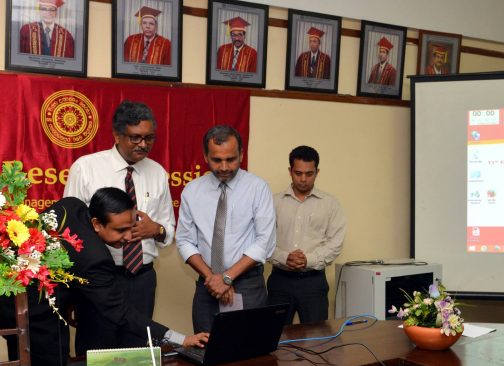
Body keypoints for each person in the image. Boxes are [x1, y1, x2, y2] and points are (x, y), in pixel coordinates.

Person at [2, 188, 208, 366]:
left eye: (131, 227)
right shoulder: (95, 259)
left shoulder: (71, 205)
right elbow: (121, 312)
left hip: (9, 296)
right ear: (97, 224)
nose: (129, 237)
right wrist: (181, 339)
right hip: (34, 314)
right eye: (120, 230)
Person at [64, 101, 175, 320]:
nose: (143, 144)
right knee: (97, 340)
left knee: (140, 338)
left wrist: (156, 230)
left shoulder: (158, 173)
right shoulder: (86, 168)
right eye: (135, 137)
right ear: (117, 135)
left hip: (142, 278)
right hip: (98, 277)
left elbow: (168, 229)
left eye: (149, 138)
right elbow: (70, 230)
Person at [177, 125, 276, 333]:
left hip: (248, 285)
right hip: (207, 285)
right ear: (205, 156)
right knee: (205, 346)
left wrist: (227, 277)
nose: (224, 167)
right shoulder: (192, 191)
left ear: (241, 154)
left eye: (231, 159)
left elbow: (264, 241)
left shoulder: (257, 188)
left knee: (249, 346)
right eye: (216, 160)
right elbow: (185, 241)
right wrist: (213, 279)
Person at [268, 146, 346, 324]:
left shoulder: (330, 204)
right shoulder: (273, 202)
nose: (303, 179)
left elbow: (335, 243)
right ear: (290, 171)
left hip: (313, 283)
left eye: (309, 173)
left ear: (317, 172)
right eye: (298, 173)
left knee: (316, 337)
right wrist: (285, 258)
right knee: (275, 335)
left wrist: (307, 260)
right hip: (280, 281)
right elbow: (263, 241)